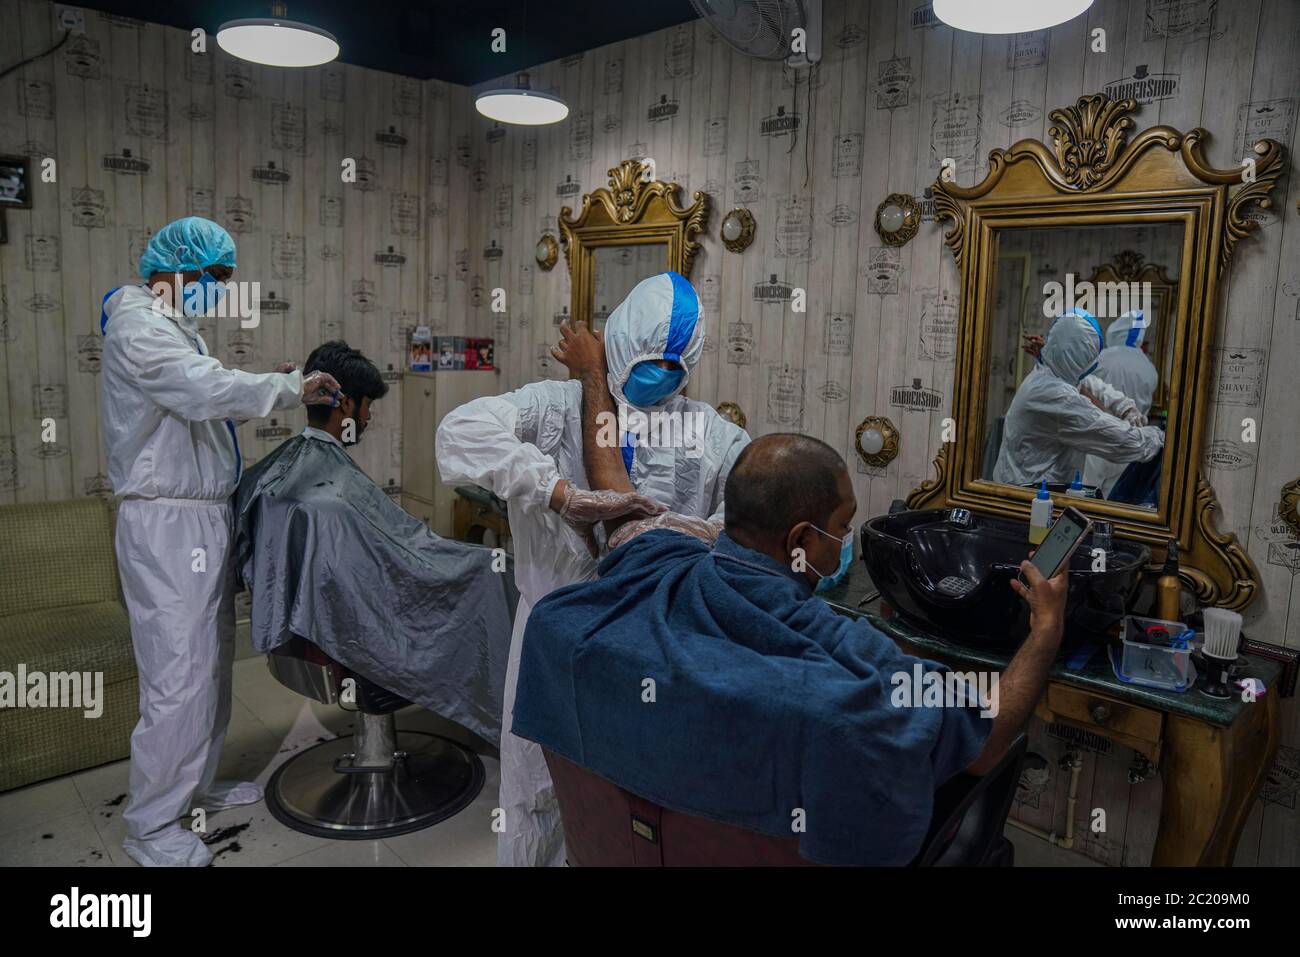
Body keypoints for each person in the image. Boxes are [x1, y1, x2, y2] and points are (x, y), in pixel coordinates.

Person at [511, 435, 1070, 864]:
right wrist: (1045, 629)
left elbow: (624, 512)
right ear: (802, 540)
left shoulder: (651, 568)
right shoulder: (853, 668)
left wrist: (591, 378)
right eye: (842, 527)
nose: (844, 543)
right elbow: (987, 741)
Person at [435, 271, 751, 866]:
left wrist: (695, 530)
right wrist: (557, 492)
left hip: (651, 646)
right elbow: (459, 432)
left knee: (628, 804)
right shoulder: (553, 408)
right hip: (553, 635)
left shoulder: (706, 431)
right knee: (534, 793)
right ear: (622, 340)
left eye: (676, 364)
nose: (662, 373)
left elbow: (756, 504)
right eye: (651, 357)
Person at [100, 216, 340, 868]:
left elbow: (211, 395)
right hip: (165, 524)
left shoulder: (179, 330)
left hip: (202, 519)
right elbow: (205, 390)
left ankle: (195, 786)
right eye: (214, 278)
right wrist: (288, 387)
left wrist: (273, 381)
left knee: (208, 664)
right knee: (177, 679)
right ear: (174, 268)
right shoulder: (138, 327)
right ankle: (151, 827)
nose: (219, 290)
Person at [233, 341, 517, 745]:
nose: (368, 418)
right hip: (348, 645)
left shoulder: (278, 474)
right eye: (368, 406)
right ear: (346, 404)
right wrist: (483, 561)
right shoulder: (329, 501)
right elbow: (400, 565)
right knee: (494, 572)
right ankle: (510, 725)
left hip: (299, 639)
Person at [993, 309, 1164, 488]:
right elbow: (1120, 440)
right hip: (1029, 497)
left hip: (1020, 485)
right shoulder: (1058, 396)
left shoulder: (1047, 371)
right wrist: (1160, 437)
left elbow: (1087, 381)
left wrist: (1123, 405)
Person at [1083, 311, 1160, 496]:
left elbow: (1083, 387)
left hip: (1099, 438)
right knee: (1115, 499)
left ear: (1114, 332)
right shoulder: (1149, 368)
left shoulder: (1101, 358)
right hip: (1130, 442)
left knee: (1087, 496)